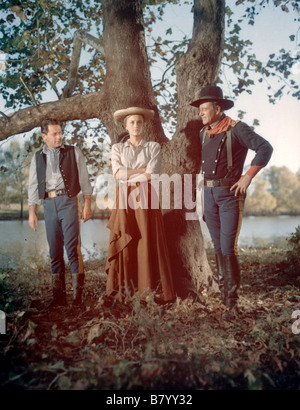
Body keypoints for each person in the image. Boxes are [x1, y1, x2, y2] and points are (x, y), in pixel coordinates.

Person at [190, 85, 273, 320]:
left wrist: (247, 177)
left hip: (229, 195)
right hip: (208, 194)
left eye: (205, 109)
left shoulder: (238, 129)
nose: (201, 113)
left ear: (218, 108)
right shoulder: (203, 133)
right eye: (200, 110)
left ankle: (232, 305)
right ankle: (225, 298)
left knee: (228, 247)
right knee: (217, 247)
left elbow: (265, 149)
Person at [105, 106, 175, 304]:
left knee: (146, 238)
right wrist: (141, 170)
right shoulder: (117, 148)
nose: (136, 125)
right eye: (132, 122)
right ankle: (126, 288)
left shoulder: (153, 147)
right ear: (126, 126)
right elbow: (118, 175)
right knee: (127, 235)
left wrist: (132, 172)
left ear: (144, 125)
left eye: (139, 122)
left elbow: (151, 174)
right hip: (124, 196)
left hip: (146, 197)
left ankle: (148, 290)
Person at [28, 119, 93, 308]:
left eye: (60, 133)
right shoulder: (37, 157)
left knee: (73, 249)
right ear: (44, 136)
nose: (59, 136)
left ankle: (76, 299)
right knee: (54, 251)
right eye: (54, 134)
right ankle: (58, 299)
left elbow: (85, 179)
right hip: (48, 204)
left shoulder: (74, 152)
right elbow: (33, 185)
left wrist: (87, 204)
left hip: (69, 201)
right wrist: (32, 212)